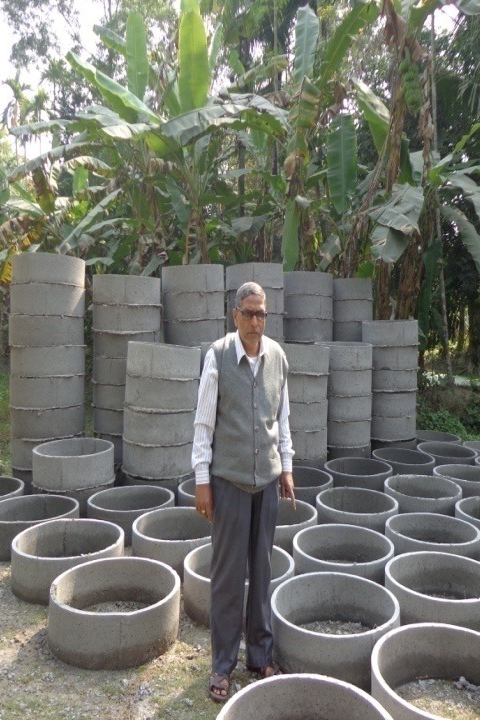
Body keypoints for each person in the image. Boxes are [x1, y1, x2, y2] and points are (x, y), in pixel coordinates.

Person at [192, 280, 295, 703]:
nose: (255, 322)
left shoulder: (278, 358)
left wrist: (286, 467)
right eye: (249, 313)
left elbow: (282, 420)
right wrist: (202, 479)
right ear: (235, 315)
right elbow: (204, 423)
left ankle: (260, 656)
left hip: (266, 482)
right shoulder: (217, 356)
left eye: (261, 314)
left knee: (262, 571)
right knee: (228, 577)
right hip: (229, 482)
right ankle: (222, 665)